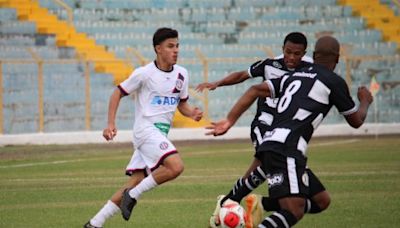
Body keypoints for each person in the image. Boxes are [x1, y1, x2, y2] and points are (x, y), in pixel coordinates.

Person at [206, 36, 373, 227]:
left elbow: (254, 90)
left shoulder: (293, 76)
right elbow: (357, 121)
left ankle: (257, 203)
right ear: (337, 58)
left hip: (274, 143)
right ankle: (229, 201)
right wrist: (365, 100)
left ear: (312, 55)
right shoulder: (334, 82)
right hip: (288, 149)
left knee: (322, 201)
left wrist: (229, 120)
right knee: (293, 211)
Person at [196, 32, 329, 227]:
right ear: (282, 49)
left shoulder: (308, 71)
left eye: (296, 53)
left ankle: (232, 202)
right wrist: (218, 83)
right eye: (288, 52)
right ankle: (230, 203)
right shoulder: (270, 65)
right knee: (265, 162)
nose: (291, 57)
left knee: (263, 168)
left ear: (304, 53)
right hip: (264, 125)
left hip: (284, 129)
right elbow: (242, 75)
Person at [83, 27, 203, 228]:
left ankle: (95, 223)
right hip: (145, 130)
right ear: (158, 49)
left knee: (136, 181)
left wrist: (192, 113)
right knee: (176, 166)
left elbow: (181, 103)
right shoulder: (144, 73)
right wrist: (111, 123)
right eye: (170, 46)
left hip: (159, 134)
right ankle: (133, 196)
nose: (176, 50)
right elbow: (117, 93)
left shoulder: (182, 74)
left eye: (177, 46)